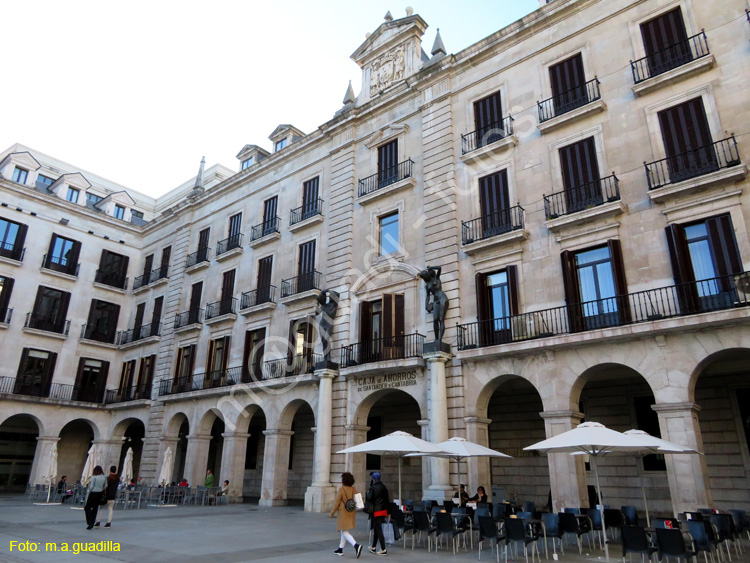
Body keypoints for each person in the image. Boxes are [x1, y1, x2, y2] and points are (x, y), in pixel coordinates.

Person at [330, 472, 363, 558]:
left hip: (343, 513)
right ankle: (340, 549)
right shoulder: (353, 489)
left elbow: (337, 502)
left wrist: (332, 512)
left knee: (344, 531)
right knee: (344, 530)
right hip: (351, 512)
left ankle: (356, 545)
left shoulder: (342, 489)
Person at [367, 472, 390, 556]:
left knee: (378, 529)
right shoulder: (384, 487)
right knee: (377, 528)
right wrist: (389, 512)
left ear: (373, 479)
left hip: (376, 510)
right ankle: (373, 546)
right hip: (383, 510)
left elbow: (369, 498)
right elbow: (387, 500)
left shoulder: (373, 487)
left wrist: (368, 492)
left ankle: (383, 548)